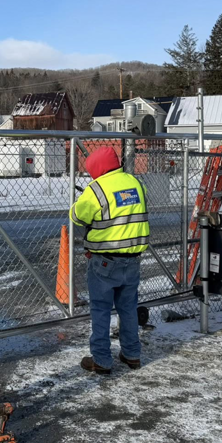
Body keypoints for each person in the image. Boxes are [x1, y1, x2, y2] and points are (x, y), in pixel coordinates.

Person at [70, 146, 150, 374]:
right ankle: (132, 354)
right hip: (133, 260)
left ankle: (102, 360)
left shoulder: (96, 189)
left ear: (97, 169)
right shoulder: (136, 183)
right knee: (128, 308)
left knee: (101, 310)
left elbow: (78, 216)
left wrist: (77, 204)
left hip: (105, 261)